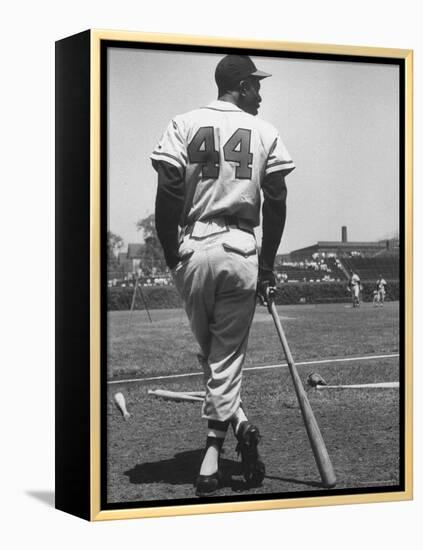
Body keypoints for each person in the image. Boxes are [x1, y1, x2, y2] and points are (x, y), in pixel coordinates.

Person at [151, 54, 295, 497]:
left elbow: (170, 189)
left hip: (193, 247)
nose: (260, 93)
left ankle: (232, 433)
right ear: (240, 85)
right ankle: (218, 448)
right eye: (256, 85)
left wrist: (172, 252)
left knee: (213, 355)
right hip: (240, 248)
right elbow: (276, 199)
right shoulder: (266, 132)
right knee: (223, 357)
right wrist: (267, 266)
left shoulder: (183, 122)